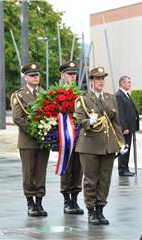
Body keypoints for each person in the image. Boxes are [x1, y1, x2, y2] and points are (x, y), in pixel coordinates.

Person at [75, 67, 127, 225]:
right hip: (89, 145)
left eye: (102, 78)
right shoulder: (83, 99)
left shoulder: (110, 98)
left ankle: (100, 209)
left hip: (108, 146)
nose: (101, 81)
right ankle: (91, 210)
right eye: (97, 78)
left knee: (105, 180)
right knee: (91, 180)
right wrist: (87, 122)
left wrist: (122, 143)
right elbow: (80, 119)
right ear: (91, 81)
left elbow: (116, 123)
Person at [11, 62, 50, 217]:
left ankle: (39, 202)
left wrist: (47, 131)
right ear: (25, 77)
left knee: (41, 172)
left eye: (37, 75)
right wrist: (36, 131)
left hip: (44, 140)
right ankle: (30, 203)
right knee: (29, 172)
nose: (35, 78)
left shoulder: (44, 94)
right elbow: (17, 118)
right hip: (28, 140)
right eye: (32, 75)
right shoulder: (19, 95)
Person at [58, 61, 84, 215]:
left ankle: (75, 199)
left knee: (78, 169)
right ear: (63, 75)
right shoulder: (57, 93)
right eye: (69, 73)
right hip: (65, 137)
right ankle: (67, 200)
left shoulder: (81, 94)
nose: (72, 76)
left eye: (74, 74)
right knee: (67, 169)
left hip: (80, 137)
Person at [115, 76, 139, 176]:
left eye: (130, 82)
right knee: (124, 148)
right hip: (125, 129)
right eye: (128, 82)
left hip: (130, 127)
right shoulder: (119, 95)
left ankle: (126, 168)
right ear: (122, 83)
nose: (130, 84)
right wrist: (124, 127)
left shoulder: (126, 94)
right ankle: (122, 169)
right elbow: (120, 113)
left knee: (127, 148)